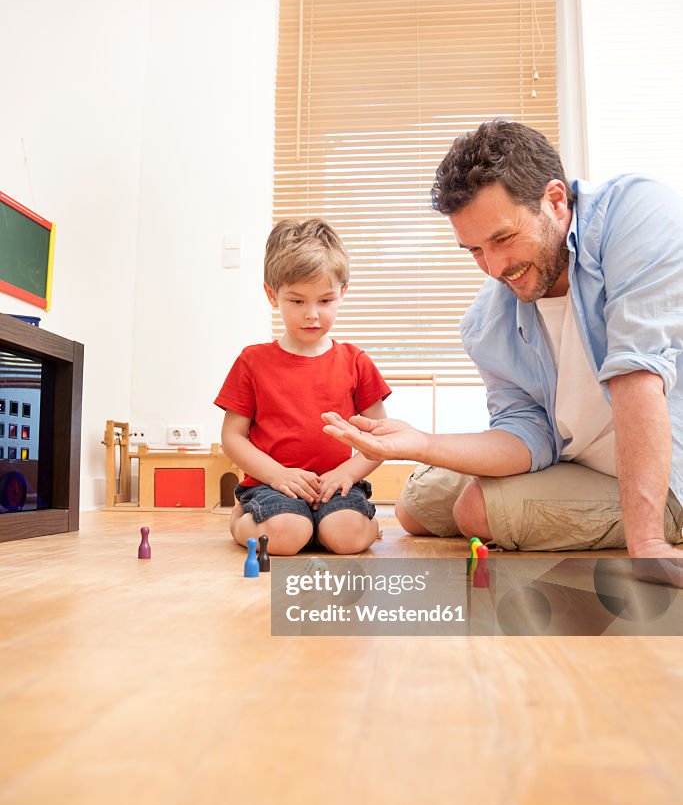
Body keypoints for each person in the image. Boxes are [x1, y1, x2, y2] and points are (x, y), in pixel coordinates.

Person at [322, 120, 683, 578]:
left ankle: (662, 521)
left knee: (474, 511)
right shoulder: (487, 320)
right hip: (572, 458)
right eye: (473, 249)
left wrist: (646, 542)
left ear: (555, 201)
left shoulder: (637, 214)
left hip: (665, 472)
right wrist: (422, 444)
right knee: (415, 506)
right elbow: (527, 433)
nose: (493, 267)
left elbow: (638, 373)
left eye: (503, 239)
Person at [216, 218, 391, 556]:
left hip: (335, 485)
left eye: (325, 301)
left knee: (347, 538)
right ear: (272, 295)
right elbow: (232, 437)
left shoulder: (356, 361)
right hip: (272, 485)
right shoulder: (252, 361)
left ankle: (353, 525)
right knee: (285, 536)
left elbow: (379, 437)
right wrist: (278, 475)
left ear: (343, 293)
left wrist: (346, 472)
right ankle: (241, 519)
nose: (312, 314)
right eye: (297, 301)